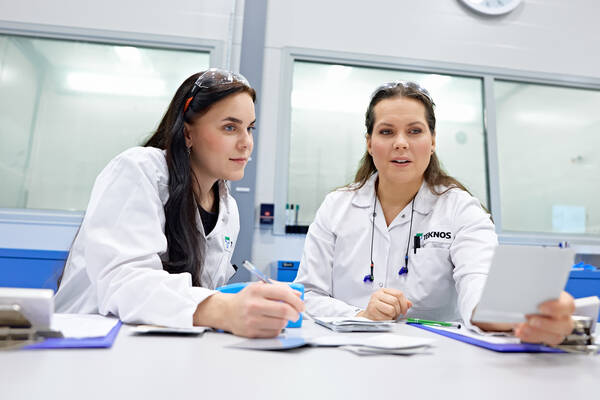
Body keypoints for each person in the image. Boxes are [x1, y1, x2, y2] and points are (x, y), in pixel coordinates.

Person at [294, 81, 574, 345]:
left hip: (437, 360)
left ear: (433, 141)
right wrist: (359, 316)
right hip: (346, 354)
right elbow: (307, 293)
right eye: (387, 131)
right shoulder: (336, 206)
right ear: (369, 143)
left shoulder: (461, 209)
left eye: (415, 131)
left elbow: (479, 287)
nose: (401, 143)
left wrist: (521, 315)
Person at [55, 69, 304, 338]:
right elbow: (125, 282)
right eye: (230, 127)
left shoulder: (228, 209)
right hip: (84, 344)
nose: (246, 143)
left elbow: (196, 295)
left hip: (159, 350)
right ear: (187, 134)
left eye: (249, 128)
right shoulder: (140, 171)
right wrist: (224, 309)